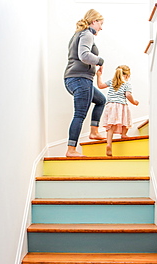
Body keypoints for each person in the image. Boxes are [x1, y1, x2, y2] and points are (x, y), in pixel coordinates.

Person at [64, 9, 106, 157]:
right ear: (94, 21)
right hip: (81, 79)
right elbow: (84, 55)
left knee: (101, 100)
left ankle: (94, 132)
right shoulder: (87, 34)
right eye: (100, 24)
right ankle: (71, 150)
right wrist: (100, 61)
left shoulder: (78, 34)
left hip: (73, 78)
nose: (101, 27)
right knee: (80, 114)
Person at [96, 65, 139, 156]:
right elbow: (128, 95)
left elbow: (100, 86)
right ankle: (123, 134)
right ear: (127, 75)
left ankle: (108, 144)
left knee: (110, 126)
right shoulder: (127, 83)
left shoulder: (112, 81)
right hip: (121, 105)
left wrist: (99, 76)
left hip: (110, 105)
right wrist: (134, 102)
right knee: (125, 121)